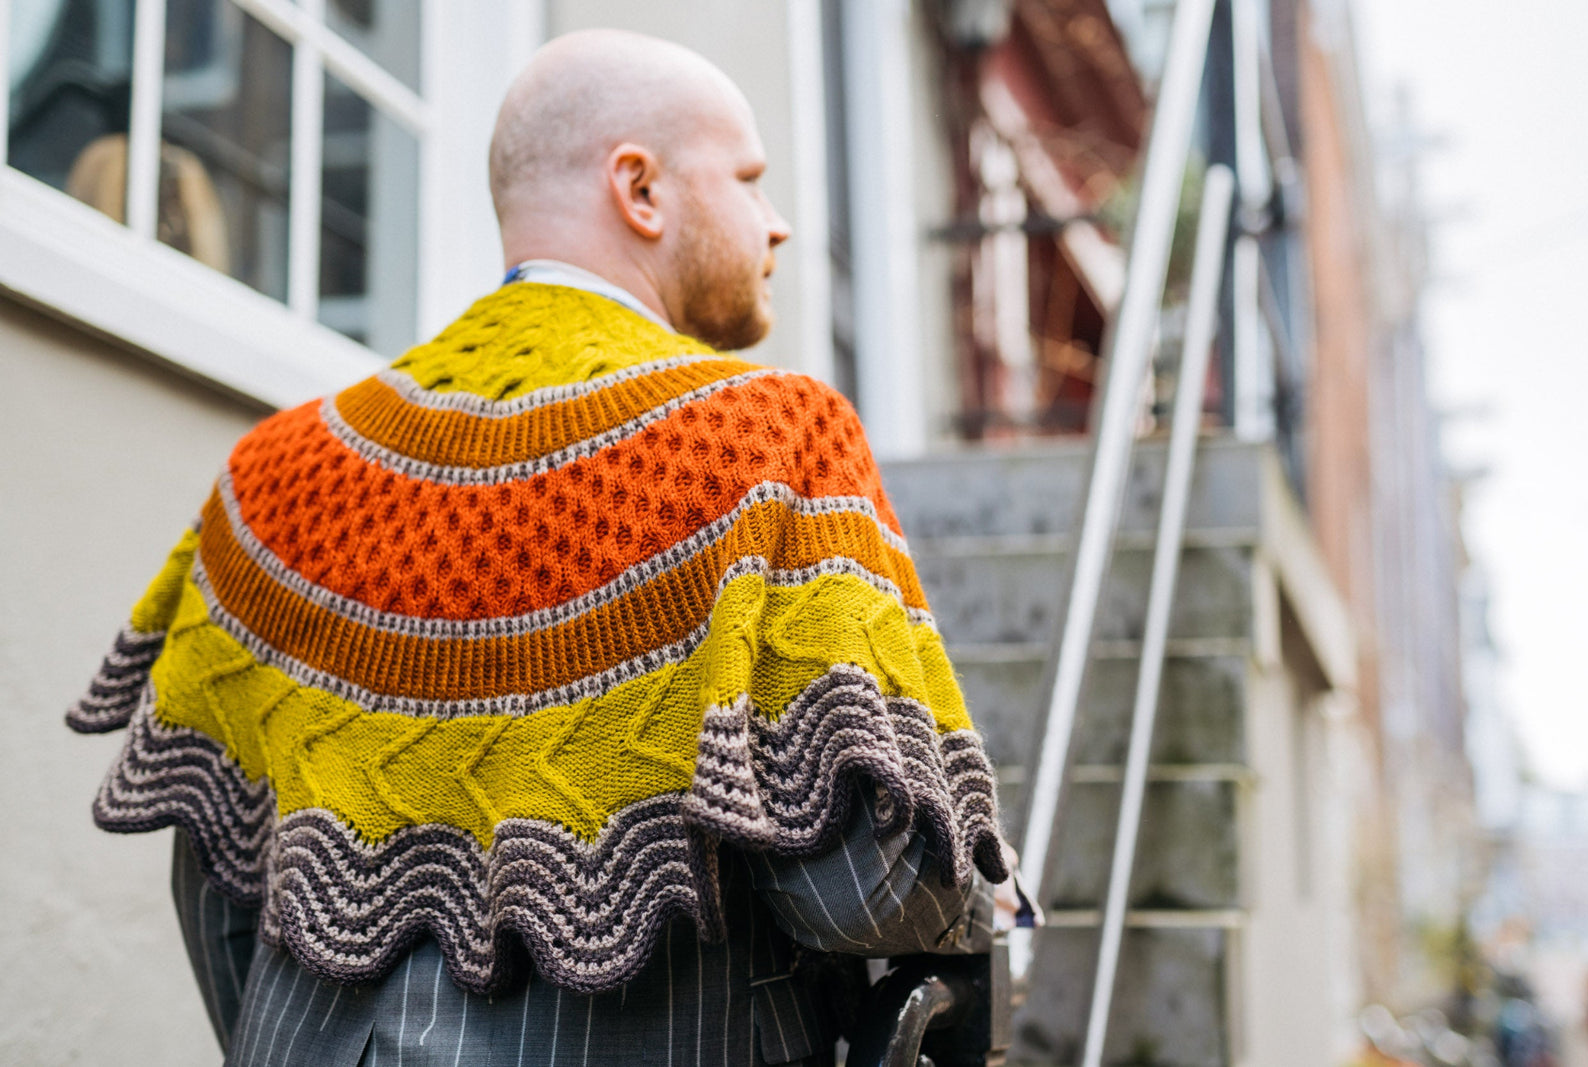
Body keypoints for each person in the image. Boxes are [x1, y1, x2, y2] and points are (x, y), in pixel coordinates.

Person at [67, 29, 1010, 1066]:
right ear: (639, 189)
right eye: (747, 180)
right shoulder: (766, 437)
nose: (776, 223)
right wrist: (971, 883)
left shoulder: (272, 473)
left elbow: (218, 887)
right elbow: (857, 892)